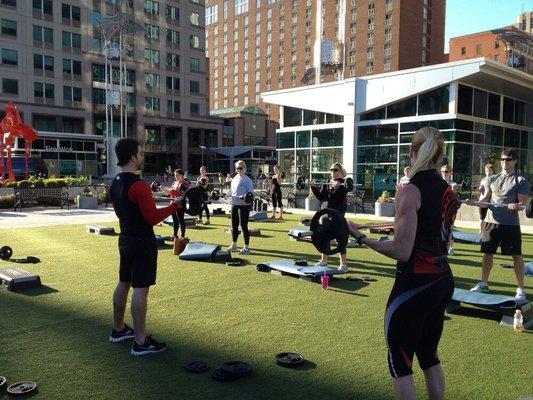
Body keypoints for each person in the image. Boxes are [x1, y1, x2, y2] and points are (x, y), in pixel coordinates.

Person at [348, 127, 460, 400]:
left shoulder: (410, 190)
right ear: (440, 156)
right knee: (429, 356)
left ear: (411, 152)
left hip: (415, 285)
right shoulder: (449, 191)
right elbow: (429, 230)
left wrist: (361, 238)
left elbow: (402, 250)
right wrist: (379, 225)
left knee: (401, 365)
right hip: (442, 280)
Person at [108, 138, 182, 356]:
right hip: (142, 242)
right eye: (140, 154)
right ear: (132, 156)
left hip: (126, 239)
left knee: (124, 282)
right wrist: (174, 206)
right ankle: (140, 342)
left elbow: (127, 213)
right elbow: (151, 217)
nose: (142, 158)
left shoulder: (116, 182)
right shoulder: (138, 185)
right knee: (141, 289)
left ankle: (118, 329)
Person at [467, 149, 530, 299]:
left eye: (508, 159)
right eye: (502, 159)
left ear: (514, 161)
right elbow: (486, 200)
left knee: (516, 255)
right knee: (487, 253)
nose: (504, 162)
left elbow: (522, 203)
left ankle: (520, 288)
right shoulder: (492, 179)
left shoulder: (520, 181)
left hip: (510, 225)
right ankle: (483, 284)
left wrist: (515, 205)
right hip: (491, 221)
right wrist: (475, 203)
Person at [311, 162, 349, 272]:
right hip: (325, 216)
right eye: (331, 170)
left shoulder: (343, 184)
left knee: (340, 240)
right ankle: (324, 261)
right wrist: (313, 188)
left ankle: (344, 264)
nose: (333, 172)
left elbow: (338, 199)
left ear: (341, 172)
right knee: (324, 237)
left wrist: (336, 188)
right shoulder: (327, 184)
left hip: (337, 217)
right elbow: (321, 197)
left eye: (336, 170)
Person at [228, 160, 254, 255]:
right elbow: (232, 191)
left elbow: (251, 194)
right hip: (234, 204)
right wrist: (225, 195)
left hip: (244, 205)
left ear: (245, 168)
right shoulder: (234, 179)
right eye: (237, 168)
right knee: (234, 225)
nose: (239, 170)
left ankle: (246, 247)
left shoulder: (248, 180)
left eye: (240, 168)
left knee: (244, 226)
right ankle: (234, 245)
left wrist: (245, 197)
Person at [163, 169, 188, 238]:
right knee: (175, 221)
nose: (176, 177)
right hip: (173, 203)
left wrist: (167, 190)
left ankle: (183, 236)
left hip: (180, 204)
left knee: (181, 220)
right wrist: (165, 191)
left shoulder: (184, 183)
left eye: (177, 175)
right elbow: (171, 193)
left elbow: (179, 193)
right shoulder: (174, 182)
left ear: (182, 175)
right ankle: (175, 235)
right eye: (175, 175)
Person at [440, 164, 458, 255]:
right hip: (439, 209)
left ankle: (450, 247)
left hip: (449, 210)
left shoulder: (452, 184)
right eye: (442, 171)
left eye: (446, 171)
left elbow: (454, 190)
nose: (444, 173)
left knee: (449, 228)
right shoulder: (438, 183)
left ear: (450, 173)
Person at [477, 163, 494, 230]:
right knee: (482, 217)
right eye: (487, 170)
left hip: (492, 202)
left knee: (490, 219)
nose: (488, 172)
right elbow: (481, 190)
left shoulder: (495, 179)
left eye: (490, 170)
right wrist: (478, 189)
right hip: (483, 202)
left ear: (492, 171)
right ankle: (481, 232)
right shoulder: (483, 180)